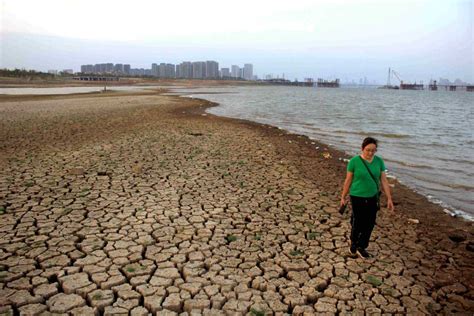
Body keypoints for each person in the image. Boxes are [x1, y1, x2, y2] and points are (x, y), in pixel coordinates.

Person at [340, 137, 394, 259]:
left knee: (369, 223)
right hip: (357, 196)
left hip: (372, 197)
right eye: (368, 150)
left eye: (373, 150)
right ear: (362, 148)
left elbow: (384, 180)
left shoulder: (379, 161)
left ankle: (362, 246)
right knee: (358, 221)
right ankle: (353, 244)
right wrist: (343, 196)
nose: (370, 153)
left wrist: (389, 198)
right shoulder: (354, 161)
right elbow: (348, 180)